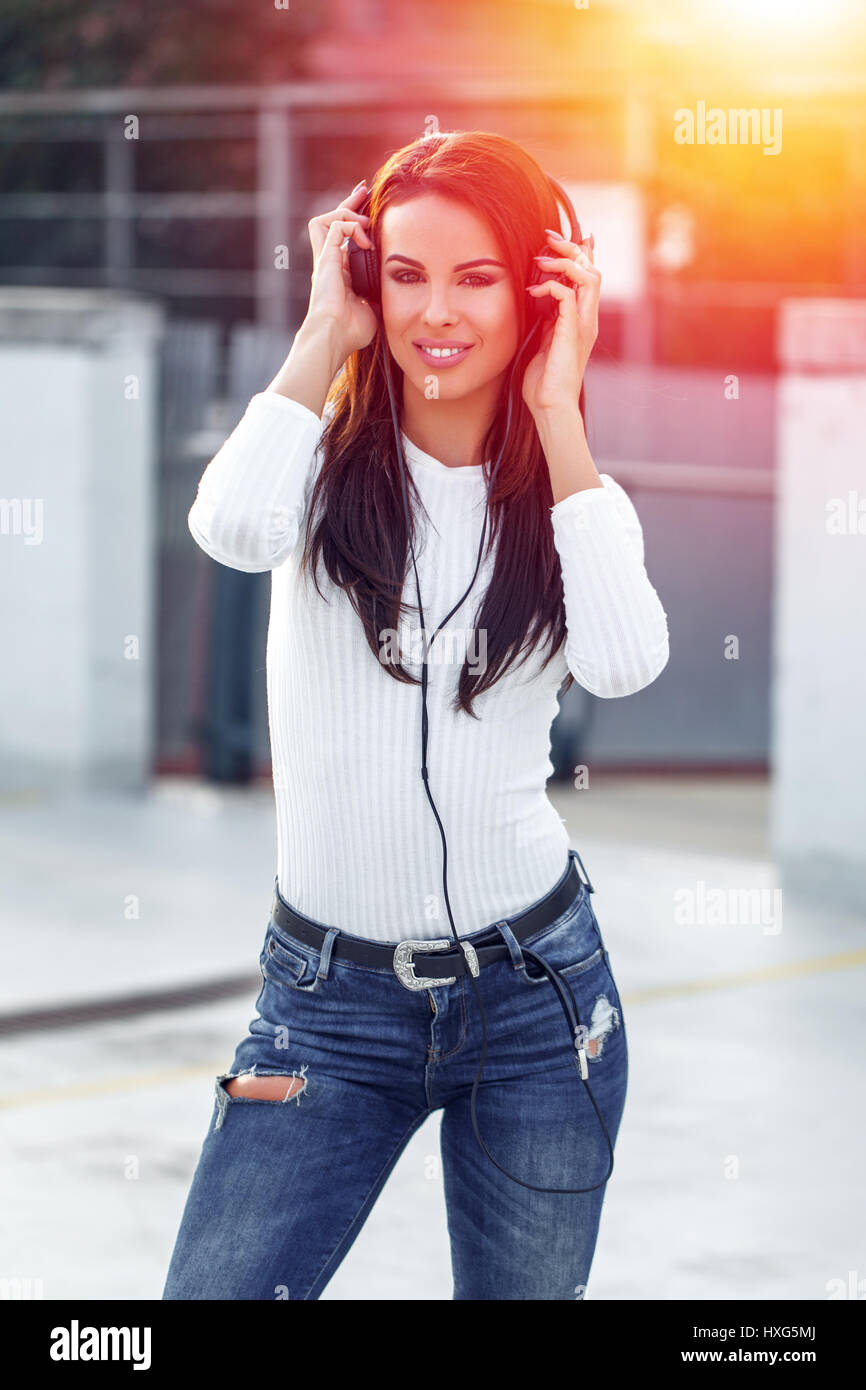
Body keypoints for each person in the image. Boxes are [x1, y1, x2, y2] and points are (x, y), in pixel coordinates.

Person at [162, 129, 670, 1301]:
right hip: (325, 1011)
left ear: (538, 290)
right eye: (403, 274)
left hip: (538, 1001)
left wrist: (557, 406)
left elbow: (626, 659)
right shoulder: (317, 466)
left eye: (476, 277)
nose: (434, 312)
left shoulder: (573, 501)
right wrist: (316, 338)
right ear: (363, 279)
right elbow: (227, 530)